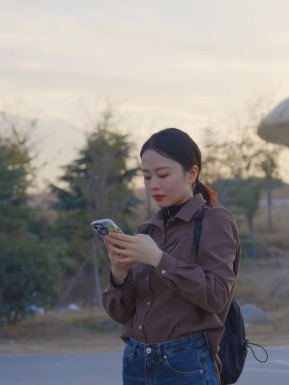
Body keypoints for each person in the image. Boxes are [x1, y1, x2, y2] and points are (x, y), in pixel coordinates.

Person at [102, 128, 240, 385]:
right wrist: (119, 273)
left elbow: (217, 295)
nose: (154, 184)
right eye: (146, 176)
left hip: (186, 363)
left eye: (163, 174)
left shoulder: (213, 221)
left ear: (192, 173)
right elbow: (121, 314)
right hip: (136, 361)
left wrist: (158, 259)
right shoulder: (146, 230)